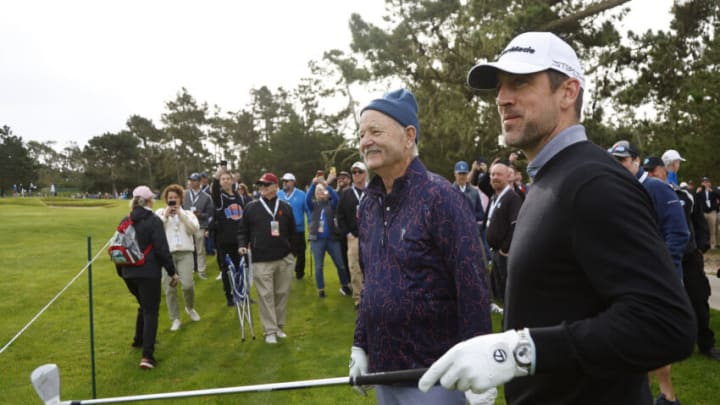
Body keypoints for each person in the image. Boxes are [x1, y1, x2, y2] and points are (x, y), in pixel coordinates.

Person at [419, 31, 695, 404]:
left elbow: (667, 324)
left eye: (520, 82)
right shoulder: (551, 177)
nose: (502, 98)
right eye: (500, 86)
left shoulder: (592, 182)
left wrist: (522, 351)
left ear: (567, 92)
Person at [349, 88, 491, 405]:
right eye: (361, 134)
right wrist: (361, 344)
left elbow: (472, 284)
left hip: (435, 375)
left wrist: (480, 361)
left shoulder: (441, 198)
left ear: (408, 136)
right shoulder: (368, 205)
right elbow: (372, 282)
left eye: (375, 131)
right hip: (385, 372)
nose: (365, 141)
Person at [609, 142, 689, 405]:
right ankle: (644, 395)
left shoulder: (655, 187)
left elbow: (679, 233)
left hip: (658, 279)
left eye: (623, 160)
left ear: (636, 160)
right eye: (615, 160)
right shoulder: (620, 189)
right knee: (637, 339)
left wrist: (659, 270)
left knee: (655, 339)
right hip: (631, 279)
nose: (619, 165)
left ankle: (667, 397)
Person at [645, 157, 720, 362]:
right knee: (666, 303)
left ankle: (706, 344)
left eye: (654, 171)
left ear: (663, 170)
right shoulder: (645, 193)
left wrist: (701, 247)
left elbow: (699, 223)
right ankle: (670, 345)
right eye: (648, 172)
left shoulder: (684, 194)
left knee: (699, 300)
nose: (651, 175)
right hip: (662, 259)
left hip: (689, 257)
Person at [117, 185, 179, 369]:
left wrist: (121, 272)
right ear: (150, 200)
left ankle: (138, 340)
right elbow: (161, 249)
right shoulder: (153, 221)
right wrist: (172, 272)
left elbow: (118, 247)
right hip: (148, 272)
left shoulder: (125, 220)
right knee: (151, 311)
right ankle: (147, 356)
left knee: (143, 306)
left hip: (128, 273)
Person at [238, 173, 296, 344]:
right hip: (261, 259)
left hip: (284, 258)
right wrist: (242, 244)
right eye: (260, 185)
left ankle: (278, 326)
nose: (262, 187)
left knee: (281, 294)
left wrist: (292, 252)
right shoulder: (251, 207)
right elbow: (242, 231)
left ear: (275, 187)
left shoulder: (285, 207)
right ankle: (269, 330)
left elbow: (293, 232)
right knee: (266, 295)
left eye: (266, 184)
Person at [155, 184, 201, 331]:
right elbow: (155, 230)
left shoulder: (187, 213)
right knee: (169, 288)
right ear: (166, 200)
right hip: (166, 255)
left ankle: (190, 307)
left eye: (175, 198)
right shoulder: (160, 213)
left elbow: (194, 229)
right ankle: (175, 318)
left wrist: (180, 214)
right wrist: (166, 216)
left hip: (185, 253)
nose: (173, 200)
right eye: (170, 198)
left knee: (188, 285)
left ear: (181, 199)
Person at [306, 176, 352, 298]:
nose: (321, 193)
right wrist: (313, 184)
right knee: (319, 266)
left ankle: (345, 285)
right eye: (319, 191)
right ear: (316, 194)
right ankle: (321, 289)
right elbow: (307, 199)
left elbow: (337, 199)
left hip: (332, 239)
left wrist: (328, 187)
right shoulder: (313, 205)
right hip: (317, 240)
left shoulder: (331, 205)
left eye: (323, 191)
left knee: (340, 264)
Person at [486, 159, 522, 311]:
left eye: (499, 174)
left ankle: (511, 318)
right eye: (492, 174)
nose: (495, 177)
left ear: (508, 177)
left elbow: (516, 224)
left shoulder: (512, 198)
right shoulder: (495, 197)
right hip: (495, 251)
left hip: (504, 254)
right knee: (499, 288)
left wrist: (505, 249)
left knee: (509, 288)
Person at [210, 167, 246, 307]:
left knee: (241, 267)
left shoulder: (238, 196)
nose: (225, 181)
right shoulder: (219, 198)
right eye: (222, 179)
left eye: (227, 178)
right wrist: (217, 175)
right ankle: (229, 296)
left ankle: (242, 293)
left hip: (239, 239)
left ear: (232, 181)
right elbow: (213, 191)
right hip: (224, 240)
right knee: (227, 269)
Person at [336, 161, 369, 309]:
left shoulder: (373, 191)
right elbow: (339, 215)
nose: (356, 175)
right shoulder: (346, 193)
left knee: (372, 267)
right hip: (354, 237)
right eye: (354, 173)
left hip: (371, 237)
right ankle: (358, 299)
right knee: (355, 268)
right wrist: (347, 233)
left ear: (365, 173)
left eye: (359, 172)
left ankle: (373, 295)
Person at [277, 173, 311, 280]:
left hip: (298, 229)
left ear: (293, 182)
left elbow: (308, 210)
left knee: (300, 252)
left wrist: (310, 223)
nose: (284, 183)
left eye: (287, 181)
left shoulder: (301, 194)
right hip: (283, 229)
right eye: (283, 181)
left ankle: (299, 273)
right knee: (284, 252)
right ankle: (284, 272)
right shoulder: (279, 194)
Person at [182, 173, 214, 280]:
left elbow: (210, 213)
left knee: (200, 249)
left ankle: (201, 271)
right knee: (188, 249)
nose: (191, 182)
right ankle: (190, 269)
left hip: (200, 225)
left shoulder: (207, 197)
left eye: (194, 180)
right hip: (186, 225)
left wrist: (200, 214)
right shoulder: (184, 194)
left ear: (199, 182)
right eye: (190, 180)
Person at [697, 176, 719, 249]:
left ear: (710, 183)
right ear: (701, 183)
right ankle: (703, 244)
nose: (705, 183)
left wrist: (712, 191)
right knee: (703, 229)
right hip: (703, 212)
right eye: (704, 182)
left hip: (712, 212)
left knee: (712, 229)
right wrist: (697, 192)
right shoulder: (700, 191)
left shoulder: (713, 190)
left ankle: (712, 245)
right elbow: (695, 199)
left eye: (707, 182)